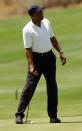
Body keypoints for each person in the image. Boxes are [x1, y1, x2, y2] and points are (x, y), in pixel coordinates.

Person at [15, 5, 66, 124]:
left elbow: (52, 38)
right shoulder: (27, 29)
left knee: (52, 86)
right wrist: (31, 66)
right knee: (29, 87)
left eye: (41, 11)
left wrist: (60, 52)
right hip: (36, 60)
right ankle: (19, 114)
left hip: (49, 57)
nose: (42, 13)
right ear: (33, 16)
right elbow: (28, 50)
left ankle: (53, 116)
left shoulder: (46, 22)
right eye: (39, 12)